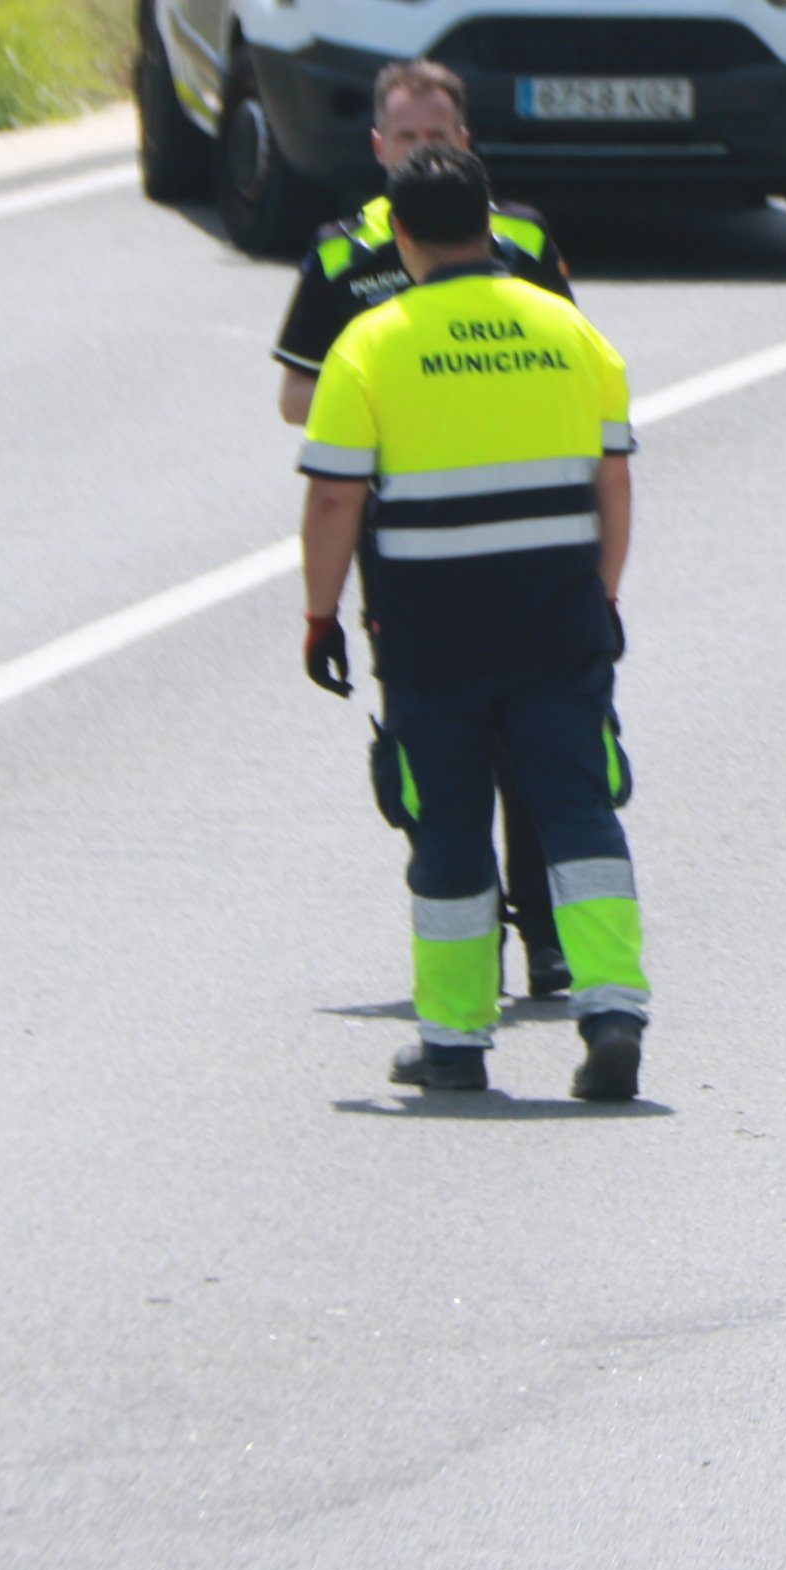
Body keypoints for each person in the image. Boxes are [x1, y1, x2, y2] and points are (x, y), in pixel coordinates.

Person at [295, 147, 650, 1102]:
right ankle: (612, 1009)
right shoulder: (572, 333)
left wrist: (321, 616)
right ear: (491, 226)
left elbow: (335, 502)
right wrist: (602, 593)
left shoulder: (369, 343)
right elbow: (612, 479)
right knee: (578, 807)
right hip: (557, 617)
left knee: (446, 821)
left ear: (401, 237)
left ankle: (455, 1042)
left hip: (430, 628)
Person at [274, 57, 580, 1001]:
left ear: (466, 142)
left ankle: (547, 934)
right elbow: (296, 394)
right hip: (405, 543)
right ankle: (468, 930)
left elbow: (571, 364)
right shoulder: (340, 255)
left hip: (530, 529)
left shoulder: (521, 238)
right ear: (377, 148)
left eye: (438, 137)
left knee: (541, 746)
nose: (421, 150)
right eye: (405, 138)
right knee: (437, 750)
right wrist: (394, 393)